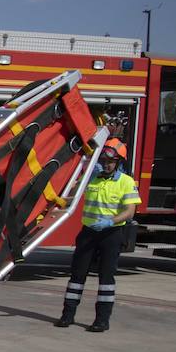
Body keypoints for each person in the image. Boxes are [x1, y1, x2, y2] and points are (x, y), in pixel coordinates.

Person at [54, 137, 140, 332]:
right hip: (88, 234)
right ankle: (67, 316)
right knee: (77, 276)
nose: (107, 165)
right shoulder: (93, 177)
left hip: (111, 234)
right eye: (104, 161)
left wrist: (111, 221)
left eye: (111, 162)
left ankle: (102, 320)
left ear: (118, 163)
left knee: (106, 280)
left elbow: (130, 211)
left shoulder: (126, 182)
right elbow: (73, 193)